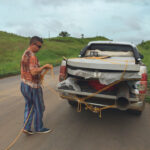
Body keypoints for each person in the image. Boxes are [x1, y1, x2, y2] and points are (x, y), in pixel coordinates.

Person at [20, 36, 52, 134]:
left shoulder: (25, 53)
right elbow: (33, 72)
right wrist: (44, 67)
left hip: (24, 84)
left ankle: (26, 127)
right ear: (33, 44)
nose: (39, 49)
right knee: (39, 107)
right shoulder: (32, 56)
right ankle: (39, 127)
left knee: (29, 106)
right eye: (38, 46)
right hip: (33, 87)